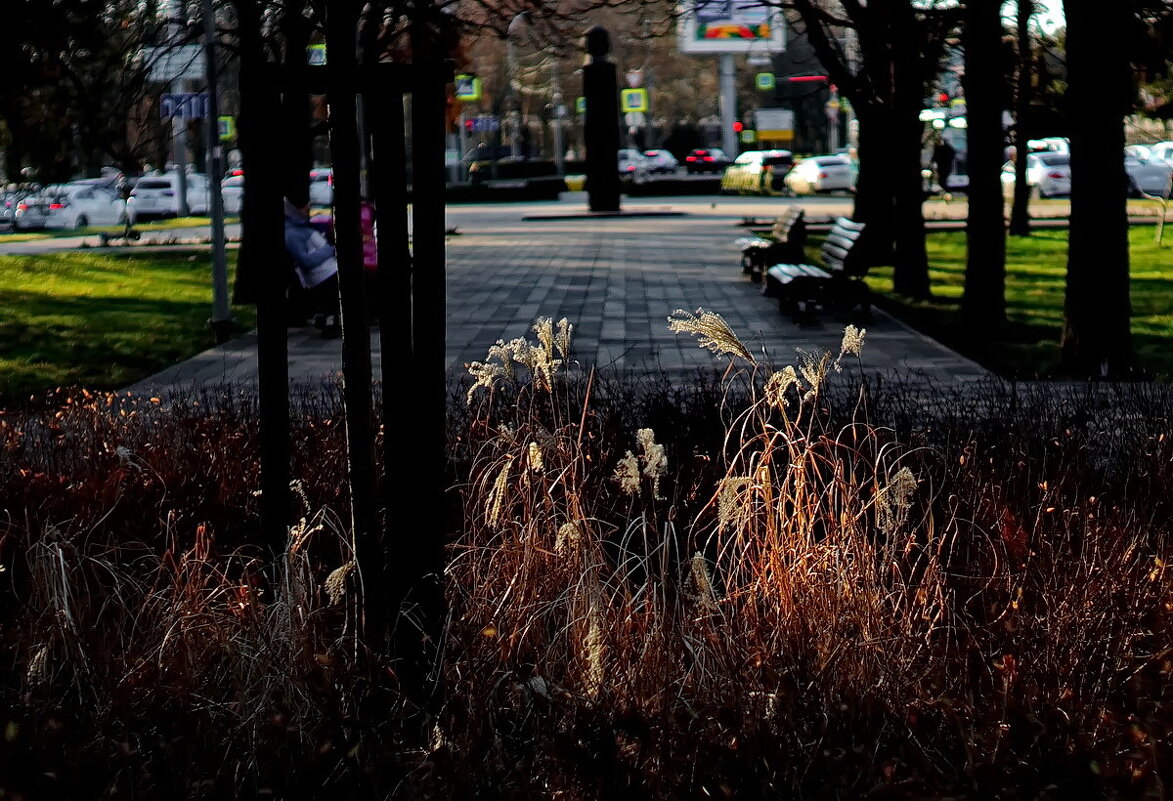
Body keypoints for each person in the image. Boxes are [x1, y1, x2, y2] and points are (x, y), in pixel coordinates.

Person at [284, 196, 340, 338]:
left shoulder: (302, 227)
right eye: (304, 206)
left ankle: (328, 319)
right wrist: (329, 250)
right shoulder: (291, 233)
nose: (308, 208)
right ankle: (327, 321)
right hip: (322, 276)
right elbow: (304, 260)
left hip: (329, 271)